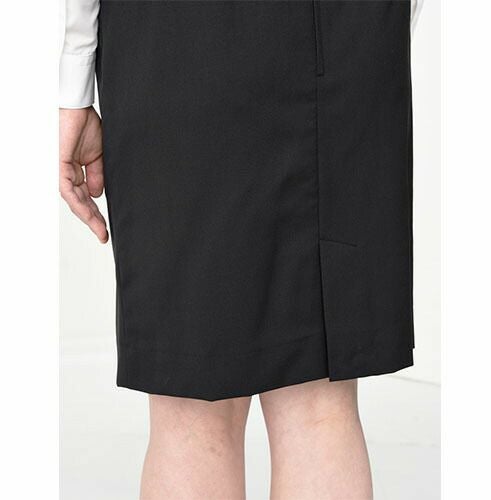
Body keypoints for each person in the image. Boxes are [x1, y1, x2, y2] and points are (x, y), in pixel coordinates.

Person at [59, 1, 424, 499]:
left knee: (194, 401)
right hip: (347, 29)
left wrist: (74, 77)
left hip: (175, 30)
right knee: (316, 399)